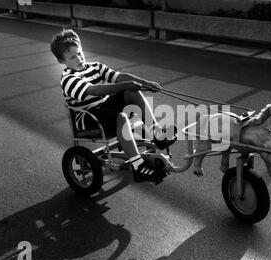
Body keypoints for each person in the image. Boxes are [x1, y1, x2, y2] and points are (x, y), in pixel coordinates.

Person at [50, 29, 176, 183]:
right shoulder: (68, 78)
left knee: (131, 92)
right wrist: (124, 85)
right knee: (121, 115)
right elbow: (94, 90)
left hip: (104, 109)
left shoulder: (94, 66)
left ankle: (157, 133)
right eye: (72, 57)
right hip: (88, 117)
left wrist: (144, 83)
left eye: (80, 53)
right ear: (62, 61)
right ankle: (138, 166)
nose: (79, 58)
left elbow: (118, 77)